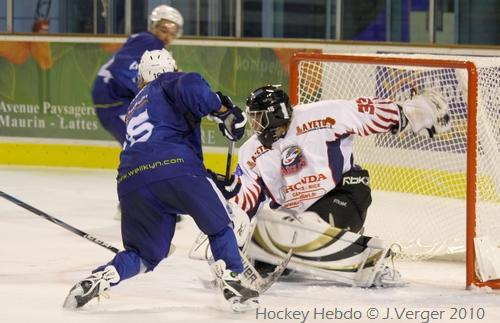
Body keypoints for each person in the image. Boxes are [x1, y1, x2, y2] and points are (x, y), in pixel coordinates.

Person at [63, 49, 258, 312]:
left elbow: (158, 153)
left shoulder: (135, 106)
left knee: (142, 255)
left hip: (131, 182)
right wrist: (224, 110)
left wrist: (208, 179)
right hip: (177, 171)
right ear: (171, 67)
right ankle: (233, 278)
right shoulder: (169, 81)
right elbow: (192, 85)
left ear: (141, 78)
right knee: (223, 223)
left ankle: (101, 277)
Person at [207, 84, 450, 286]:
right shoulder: (251, 151)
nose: (255, 127)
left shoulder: (322, 114)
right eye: (253, 120)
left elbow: (369, 113)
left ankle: (372, 261)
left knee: (311, 228)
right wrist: (228, 193)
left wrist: (412, 112)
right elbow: (248, 196)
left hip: (345, 190)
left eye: (259, 119)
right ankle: (306, 250)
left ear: (275, 114)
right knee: (263, 251)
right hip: (295, 215)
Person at [92, 5, 183, 145]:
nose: (167, 37)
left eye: (173, 33)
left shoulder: (144, 42)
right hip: (114, 103)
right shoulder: (151, 42)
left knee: (144, 146)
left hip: (117, 102)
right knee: (142, 147)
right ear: (153, 26)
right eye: (164, 30)